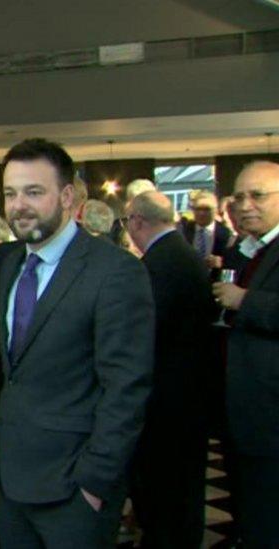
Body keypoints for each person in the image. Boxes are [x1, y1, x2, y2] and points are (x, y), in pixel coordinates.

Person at [0, 138, 153, 548]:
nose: (18, 205)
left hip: (74, 489)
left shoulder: (114, 271)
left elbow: (127, 388)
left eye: (33, 191)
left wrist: (94, 482)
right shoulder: (8, 263)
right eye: (10, 193)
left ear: (67, 196)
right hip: (11, 481)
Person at [123, 191, 216, 548]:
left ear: (137, 221)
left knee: (168, 492)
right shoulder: (181, 254)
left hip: (170, 397)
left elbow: (147, 329)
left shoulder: (162, 262)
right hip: (187, 392)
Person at [212, 160, 279, 548]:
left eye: (258, 195)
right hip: (242, 412)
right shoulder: (244, 250)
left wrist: (246, 302)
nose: (245, 204)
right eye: (239, 196)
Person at [180, 189, 233, 272]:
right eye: (198, 209)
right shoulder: (183, 231)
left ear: (215, 210)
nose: (202, 213)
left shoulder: (226, 234)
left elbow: (232, 262)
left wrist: (221, 262)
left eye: (206, 209)